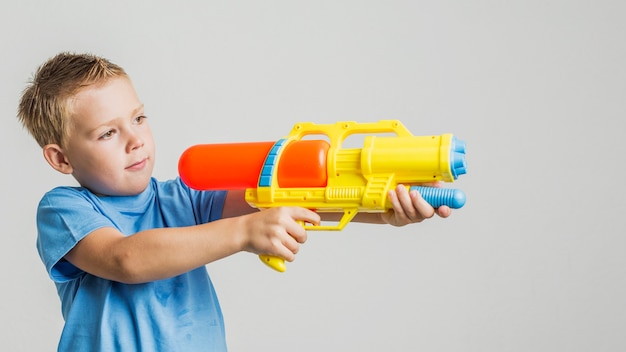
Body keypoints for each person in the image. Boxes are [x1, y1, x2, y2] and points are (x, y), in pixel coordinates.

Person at [17, 52, 452, 351]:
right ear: (61, 158)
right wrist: (243, 232)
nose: (136, 141)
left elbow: (301, 200)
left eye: (139, 118)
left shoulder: (183, 198)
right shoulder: (65, 209)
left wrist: (383, 210)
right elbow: (124, 259)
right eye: (108, 132)